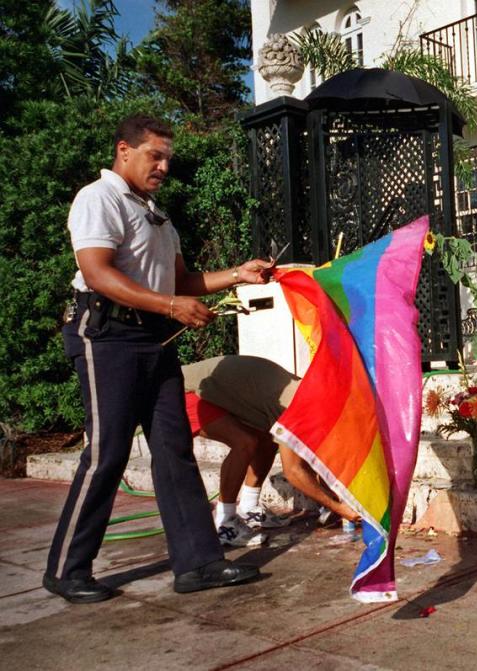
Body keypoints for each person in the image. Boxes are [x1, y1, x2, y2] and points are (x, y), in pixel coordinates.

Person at [44, 115, 272, 604]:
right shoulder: (98, 198)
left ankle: (199, 564)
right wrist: (171, 306)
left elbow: (182, 282)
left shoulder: (155, 213)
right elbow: (98, 273)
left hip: (155, 340)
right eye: (155, 155)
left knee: (174, 449)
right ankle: (67, 569)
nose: (164, 166)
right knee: (107, 453)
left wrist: (238, 274)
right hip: (107, 336)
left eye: (168, 157)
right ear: (124, 150)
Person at [181, 355, 361, 539]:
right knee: (244, 442)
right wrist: (337, 506)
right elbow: (294, 472)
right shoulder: (294, 408)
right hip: (188, 392)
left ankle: (249, 507)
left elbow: (311, 456)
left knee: (267, 439)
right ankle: (225, 523)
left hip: (217, 389)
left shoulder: (310, 395)